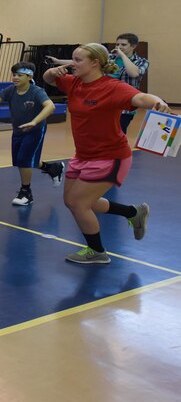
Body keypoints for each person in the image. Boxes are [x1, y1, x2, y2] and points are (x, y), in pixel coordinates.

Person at [43, 43, 171, 265]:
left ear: (95, 63)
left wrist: (157, 102)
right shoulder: (74, 83)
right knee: (75, 201)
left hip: (110, 157)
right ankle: (133, 212)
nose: (73, 64)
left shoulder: (112, 87)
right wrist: (52, 71)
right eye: (72, 59)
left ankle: (97, 251)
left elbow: (141, 98)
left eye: (78, 59)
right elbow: (48, 78)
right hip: (83, 155)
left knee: (78, 203)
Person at [0, 61, 64, 206]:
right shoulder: (10, 90)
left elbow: (50, 106)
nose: (15, 77)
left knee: (24, 159)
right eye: (14, 74)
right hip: (18, 130)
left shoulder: (37, 91)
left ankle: (26, 192)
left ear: (29, 76)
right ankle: (52, 168)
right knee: (23, 159)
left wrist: (34, 121)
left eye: (19, 75)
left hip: (35, 130)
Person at [46, 33, 149, 134]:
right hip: (103, 100)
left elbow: (134, 73)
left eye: (123, 45)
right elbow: (82, 61)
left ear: (133, 46)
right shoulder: (110, 58)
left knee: (116, 131)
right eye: (117, 44)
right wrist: (58, 61)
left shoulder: (141, 61)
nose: (119, 47)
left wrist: (121, 55)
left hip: (123, 104)